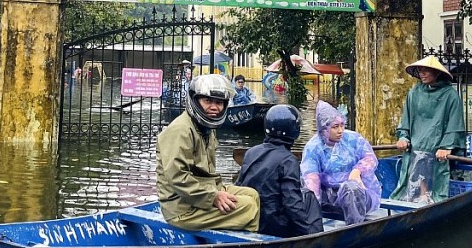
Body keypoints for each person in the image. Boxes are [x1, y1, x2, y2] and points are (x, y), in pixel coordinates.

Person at [156, 74, 260, 231]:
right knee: (248, 206)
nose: (214, 107)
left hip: (202, 193)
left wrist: (216, 192)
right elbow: (177, 178)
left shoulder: (207, 129)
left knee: (253, 194)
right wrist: (214, 197)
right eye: (208, 101)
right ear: (195, 101)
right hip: (182, 208)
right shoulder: (180, 130)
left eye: (219, 103)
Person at [237, 105, 323, 237]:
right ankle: (317, 237)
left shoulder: (251, 152)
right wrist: (306, 232)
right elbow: (292, 202)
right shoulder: (288, 160)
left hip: (251, 218)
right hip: (275, 225)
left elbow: (239, 186)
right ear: (294, 130)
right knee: (308, 196)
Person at [391, 55, 467, 204]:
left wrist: (446, 146)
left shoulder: (451, 96)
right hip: (417, 142)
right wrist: (403, 136)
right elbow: (405, 118)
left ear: (437, 73)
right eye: (420, 70)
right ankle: (421, 193)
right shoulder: (414, 93)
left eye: (426, 71)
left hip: (439, 143)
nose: (422, 74)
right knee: (417, 150)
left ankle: (430, 195)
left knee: (431, 152)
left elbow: (455, 124)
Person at [300, 100, 382, 224]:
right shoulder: (313, 147)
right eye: (335, 127)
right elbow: (311, 178)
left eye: (342, 125)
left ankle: (355, 227)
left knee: (351, 189)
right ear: (324, 129)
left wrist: (357, 171)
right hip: (330, 199)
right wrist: (312, 210)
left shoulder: (353, 139)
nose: (340, 131)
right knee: (305, 190)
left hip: (359, 194)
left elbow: (370, 158)